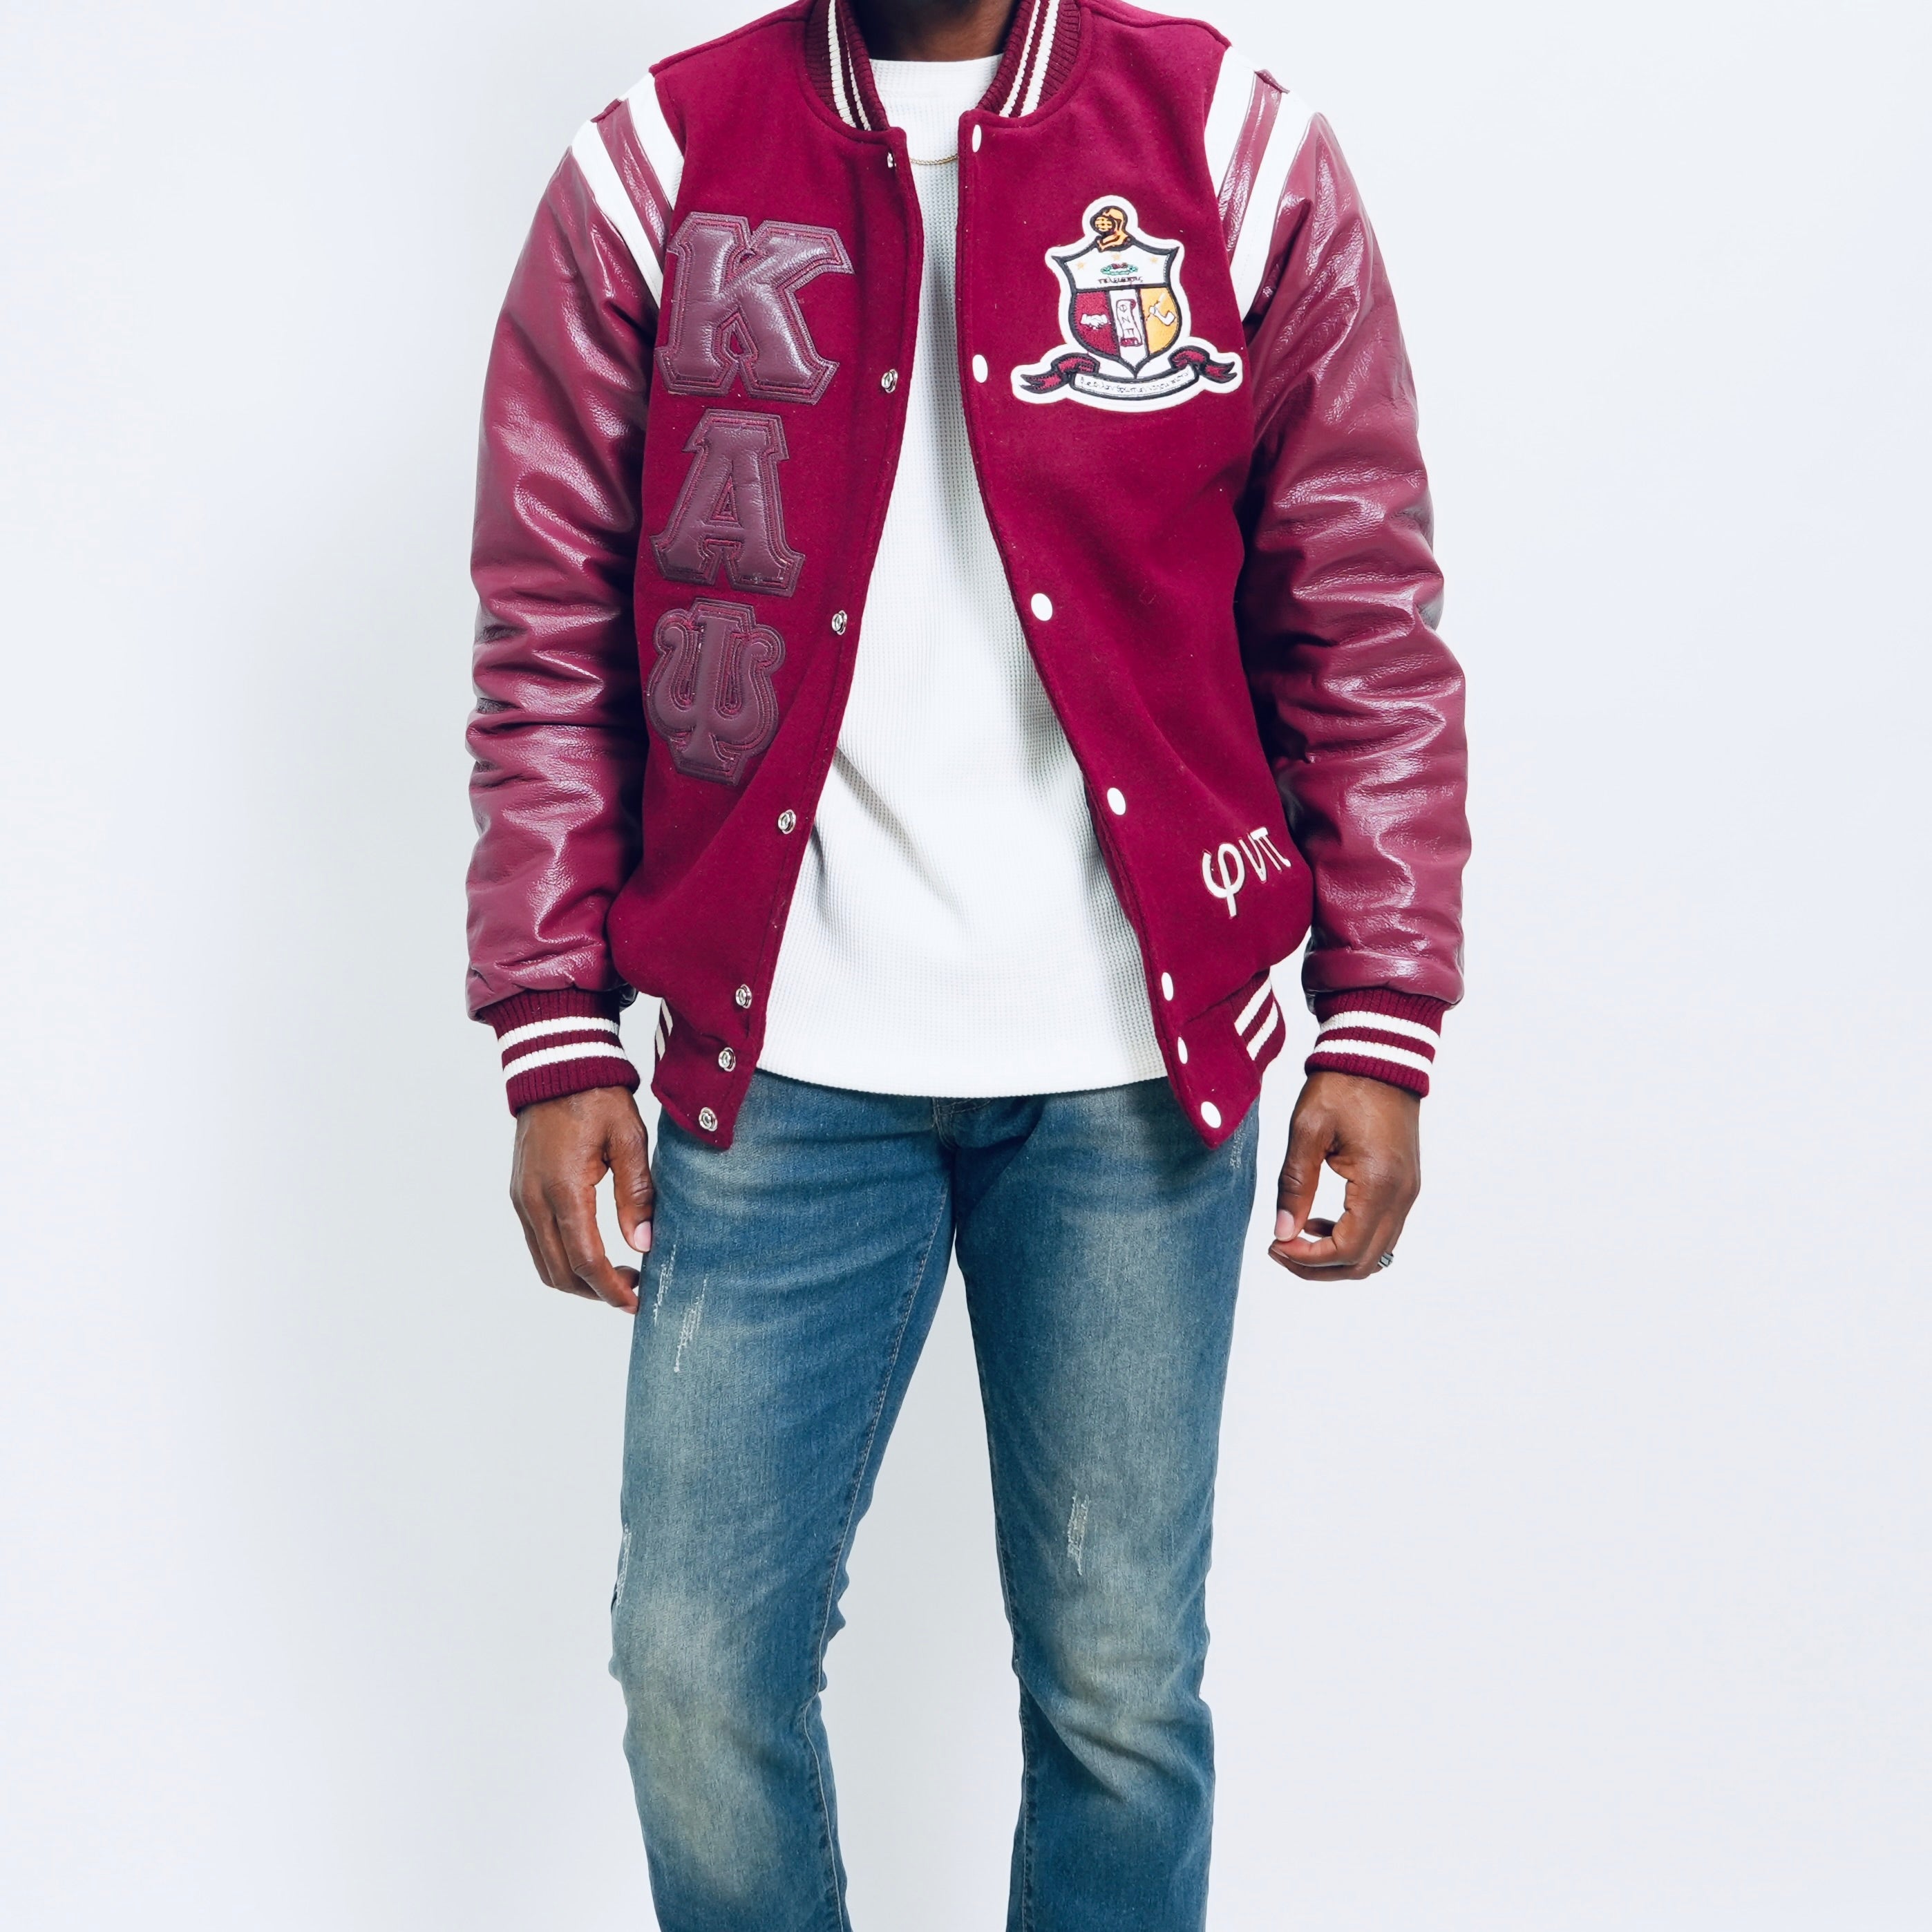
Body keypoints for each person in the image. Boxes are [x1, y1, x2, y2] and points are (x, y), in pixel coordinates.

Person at [464, 0, 1468, 1921]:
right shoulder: (653, 166)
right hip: (777, 1059)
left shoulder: (1231, 149)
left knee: (1118, 1696)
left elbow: (1356, 602)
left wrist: (1383, 1010)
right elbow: (548, 624)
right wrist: (554, 1026)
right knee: (694, 1673)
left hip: (1133, 1066)